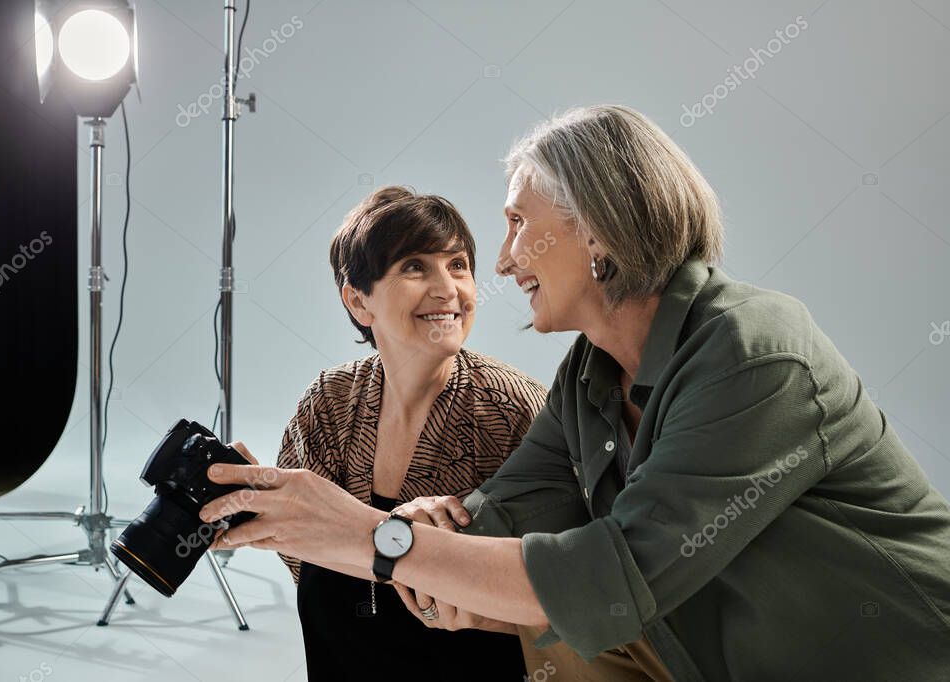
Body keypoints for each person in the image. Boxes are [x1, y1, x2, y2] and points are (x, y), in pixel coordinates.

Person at [201, 106, 950, 681]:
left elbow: (614, 578)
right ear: (355, 300)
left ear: (594, 232)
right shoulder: (588, 373)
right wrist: (376, 529)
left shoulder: (753, 354)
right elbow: (505, 509)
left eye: (518, 224)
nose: (498, 263)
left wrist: (375, 537)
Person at [256, 186, 547, 680]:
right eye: (415, 266)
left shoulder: (513, 410)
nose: (447, 288)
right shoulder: (329, 400)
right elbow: (302, 557)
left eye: (457, 265)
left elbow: (553, 597)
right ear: (357, 300)